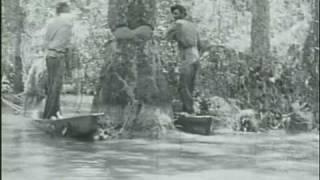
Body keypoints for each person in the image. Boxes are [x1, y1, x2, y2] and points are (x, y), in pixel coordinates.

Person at [166, 4, 201, 114]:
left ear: (182, 14)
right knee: (190, 85)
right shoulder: (193, 26)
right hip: (196, 55)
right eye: (173, 14)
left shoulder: (177, 24)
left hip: (187, 54)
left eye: (176, 14)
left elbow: (166, 37)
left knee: (183, 85)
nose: (174, 16)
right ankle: (189, 110)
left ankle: (189, 112)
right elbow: (200, 44)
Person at [42, 2, 73, 119]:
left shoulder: (51, 22)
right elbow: (68, 44)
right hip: (58, 56)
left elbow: (46, 41)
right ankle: (50, 114)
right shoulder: (67, 23)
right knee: (56, 87)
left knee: (52, 86)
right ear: (64, 11)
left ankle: (53, 112)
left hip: (50, 56)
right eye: (68, 10)